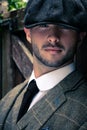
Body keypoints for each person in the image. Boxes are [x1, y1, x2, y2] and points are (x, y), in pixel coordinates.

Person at [0, 0, 87, 130]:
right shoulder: (7, 100)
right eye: (44, 25)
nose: (53, 37)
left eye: (65, 26)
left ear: (80, 36)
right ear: (28, 34)